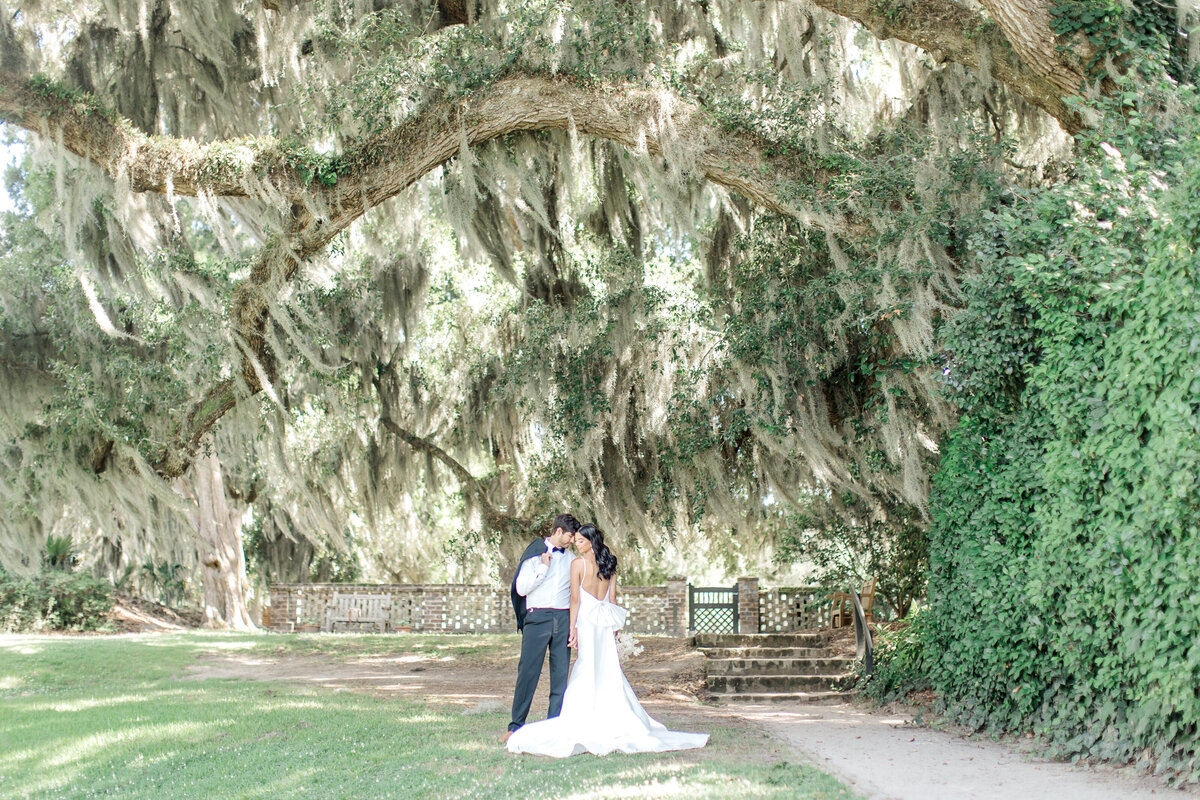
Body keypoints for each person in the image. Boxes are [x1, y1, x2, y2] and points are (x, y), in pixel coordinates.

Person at [506, 523, 708, 757]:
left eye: (580, 540)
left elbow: (574, 600)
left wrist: (571, 629)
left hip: (587, 622)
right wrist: (614, 630)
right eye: (575, 540)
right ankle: (605, 716)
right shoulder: (609, 565)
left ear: (590, 542)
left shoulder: (577, 564)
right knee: (606, 667)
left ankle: (580, 719)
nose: (576, 544)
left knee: (587, 666)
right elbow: (612, 600)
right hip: (603, 623)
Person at [501, 513, 580, 743]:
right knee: (528, 672)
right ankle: (516, 726)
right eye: (569, 536)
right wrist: (543, 569)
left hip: (563, 619)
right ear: (558, 531)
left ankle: (554, 726)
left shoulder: (572, 559)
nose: (571, 541)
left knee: (560, 675)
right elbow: (521, 588)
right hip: (537, 618)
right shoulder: (535, 554)